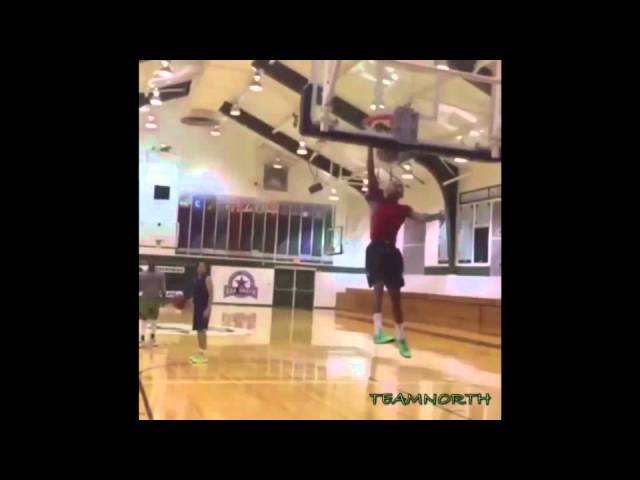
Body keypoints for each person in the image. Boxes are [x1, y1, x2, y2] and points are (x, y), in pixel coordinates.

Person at [365, 147, 445, 358]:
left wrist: (438, 215)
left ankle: (401, 338)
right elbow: (371, 173)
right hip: (376, 249)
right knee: (378, 291)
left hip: (390, 252)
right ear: (388, 190)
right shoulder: (376, 201)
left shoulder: (403, 209)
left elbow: (422, 217)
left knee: (395, 298)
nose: (395, 186)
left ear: (398, 193)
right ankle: (378, 332)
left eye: (398, 186)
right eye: (394, 185)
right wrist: (369, 148)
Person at [186, 261, 213, 365]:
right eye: (199, 266)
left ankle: (204, 355)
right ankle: (200, 353)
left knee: (202, 331)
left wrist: (208, 308)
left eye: (203, 266)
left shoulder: (208, 279)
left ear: (206, 269)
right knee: (198, 331)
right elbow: (195, 294)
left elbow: (211, 295)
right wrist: (190, 304)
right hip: (197, 307)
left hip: (204, 307)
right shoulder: (196, 279)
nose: (201, 268)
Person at [139, 262, 166, 347]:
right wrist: (163, 300)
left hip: (150, 299)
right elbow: (163, 289)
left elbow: (163, 288)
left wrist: (163, 299)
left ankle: (150, 339)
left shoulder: (143, 275)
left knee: (151, 320)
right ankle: (144, 339)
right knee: (146, 320)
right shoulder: (142, 275)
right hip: (148, 299)